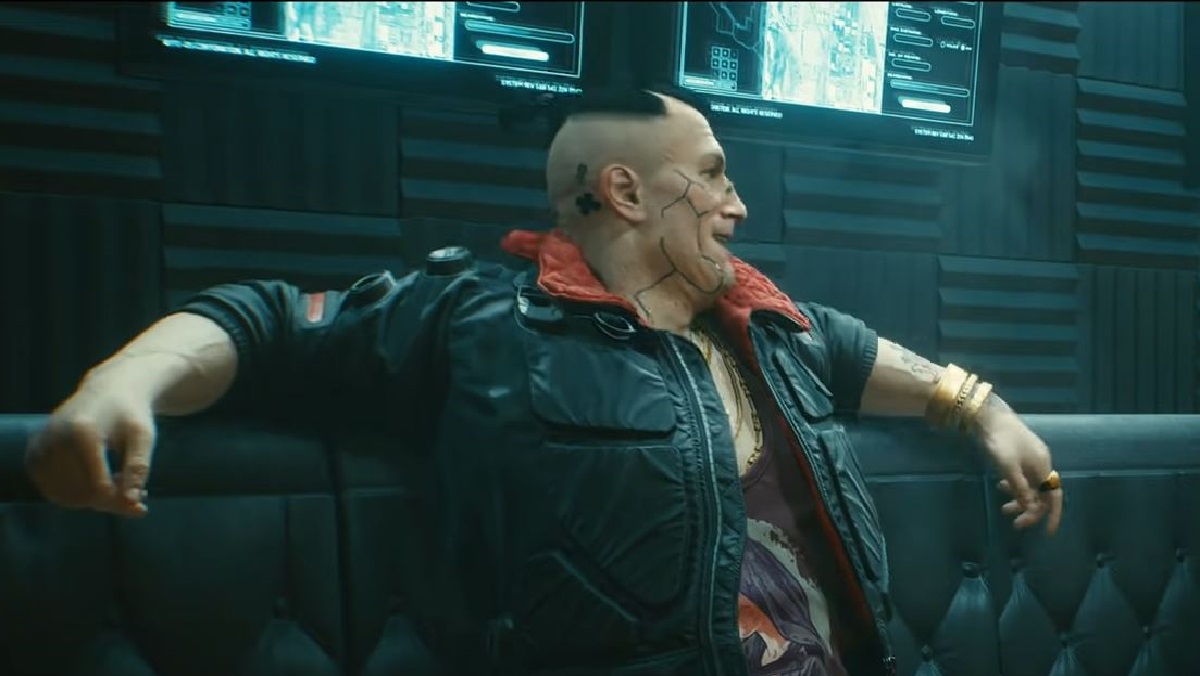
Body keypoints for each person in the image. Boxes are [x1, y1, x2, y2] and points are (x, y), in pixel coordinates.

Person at [26, 87, 1064, 676]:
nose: (738, 203)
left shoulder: (773, 327)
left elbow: (888, 365)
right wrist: (123, 381)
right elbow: (263, 325)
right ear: (625, 191)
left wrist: (988, 413)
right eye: (713, 172)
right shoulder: (484, 322)